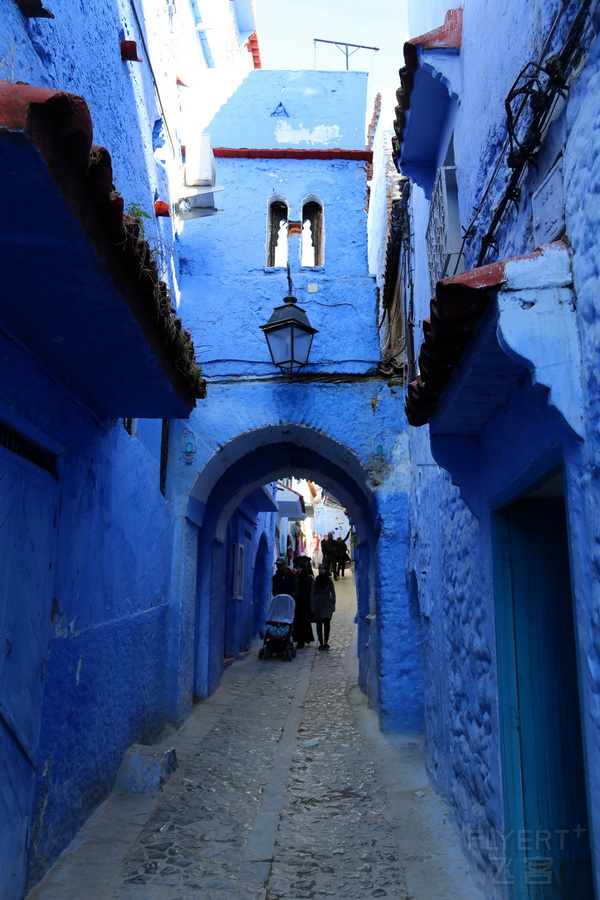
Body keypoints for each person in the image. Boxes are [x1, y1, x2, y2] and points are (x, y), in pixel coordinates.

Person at [311, 563, 336, 650]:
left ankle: (326, 642)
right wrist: (312, 605)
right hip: (318, 604)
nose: (321, 571)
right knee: (318, 624)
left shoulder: (329, 581)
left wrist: (333, 604)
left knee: (326, 623)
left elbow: (333, 593)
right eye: (320, 569)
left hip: (326, 604)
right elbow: (312, 594)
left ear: (326, 570)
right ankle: (321, 642)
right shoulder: (316, 581)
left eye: (323, 569)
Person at [292, 556, 314, 648]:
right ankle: (299, 639)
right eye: (297, 568)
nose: (298, 570)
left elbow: (310, 592)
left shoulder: (308, 579)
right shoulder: (294, 578)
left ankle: (304, 639)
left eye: (300, 568)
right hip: (296, 603)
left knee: (304, 621)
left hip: (305, 603)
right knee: (297, 621)